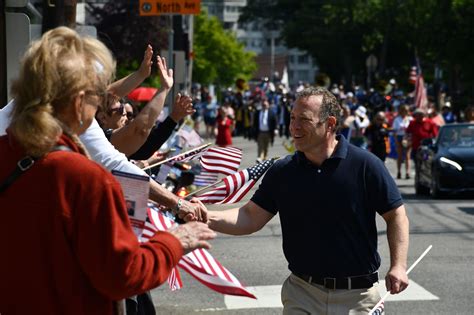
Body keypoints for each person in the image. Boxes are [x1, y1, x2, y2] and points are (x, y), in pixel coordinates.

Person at [0, 27, 216, 314]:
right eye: (96, 97)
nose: (102, 105)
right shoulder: (86, 179)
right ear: (78, 103)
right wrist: (175, 241)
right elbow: (123, 276)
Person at [207, 86, 409, 314]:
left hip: (358, 297)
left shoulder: (366, 165)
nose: (294, 126)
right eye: (292, 117)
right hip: (301, 292)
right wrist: (205, 216)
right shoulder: (282, 171)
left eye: (304, 119)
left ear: (330, 124)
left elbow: (396, 215)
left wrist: (399, 266)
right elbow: (249, 217)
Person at [392, 105, 413, 179]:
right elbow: (394, 131)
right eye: (404, 111)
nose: (405, 112)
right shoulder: (397, 119)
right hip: (399, 137)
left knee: (407, 155)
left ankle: (407, 172)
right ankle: (399, 171)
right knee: (400, 155)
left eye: (407, 111)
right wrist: (396, 140)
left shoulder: (410, 119)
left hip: (407, 138)